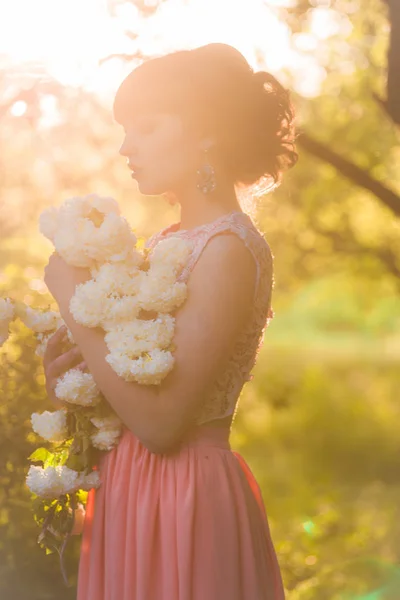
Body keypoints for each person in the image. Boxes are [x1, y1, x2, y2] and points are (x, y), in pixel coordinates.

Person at [44, 42, 298, 599]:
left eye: (147, 127)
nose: (126, 147)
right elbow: (131, 394)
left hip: (182, 495)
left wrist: (74, 301)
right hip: (125, 489)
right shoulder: (162, 244)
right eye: (125, 130)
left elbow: (161, 427)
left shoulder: (228, 249)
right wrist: (71, 381)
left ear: (206, 131)